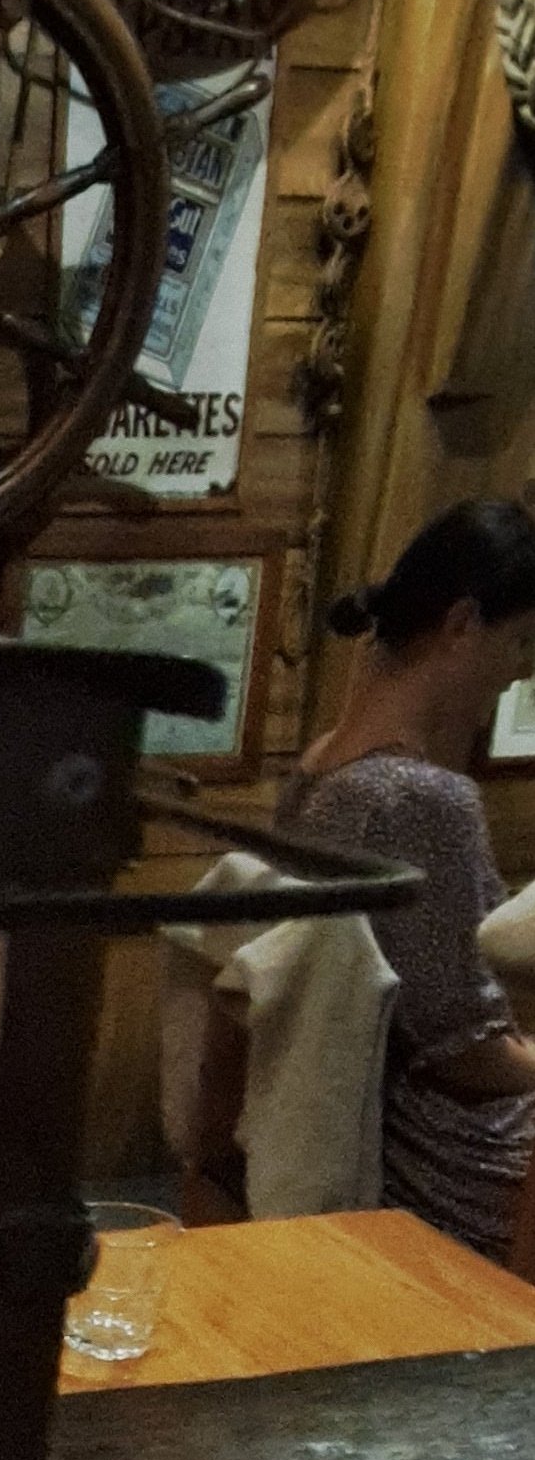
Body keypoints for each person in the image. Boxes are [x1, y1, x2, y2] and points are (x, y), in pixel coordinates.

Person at [280, 499, 535, 1259]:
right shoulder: (418, 798)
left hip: (354, 1125)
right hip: (446, 1162)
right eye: (521, 641)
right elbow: (467, 1054)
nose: (523, 669)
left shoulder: (318, 767)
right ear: (462, 624)